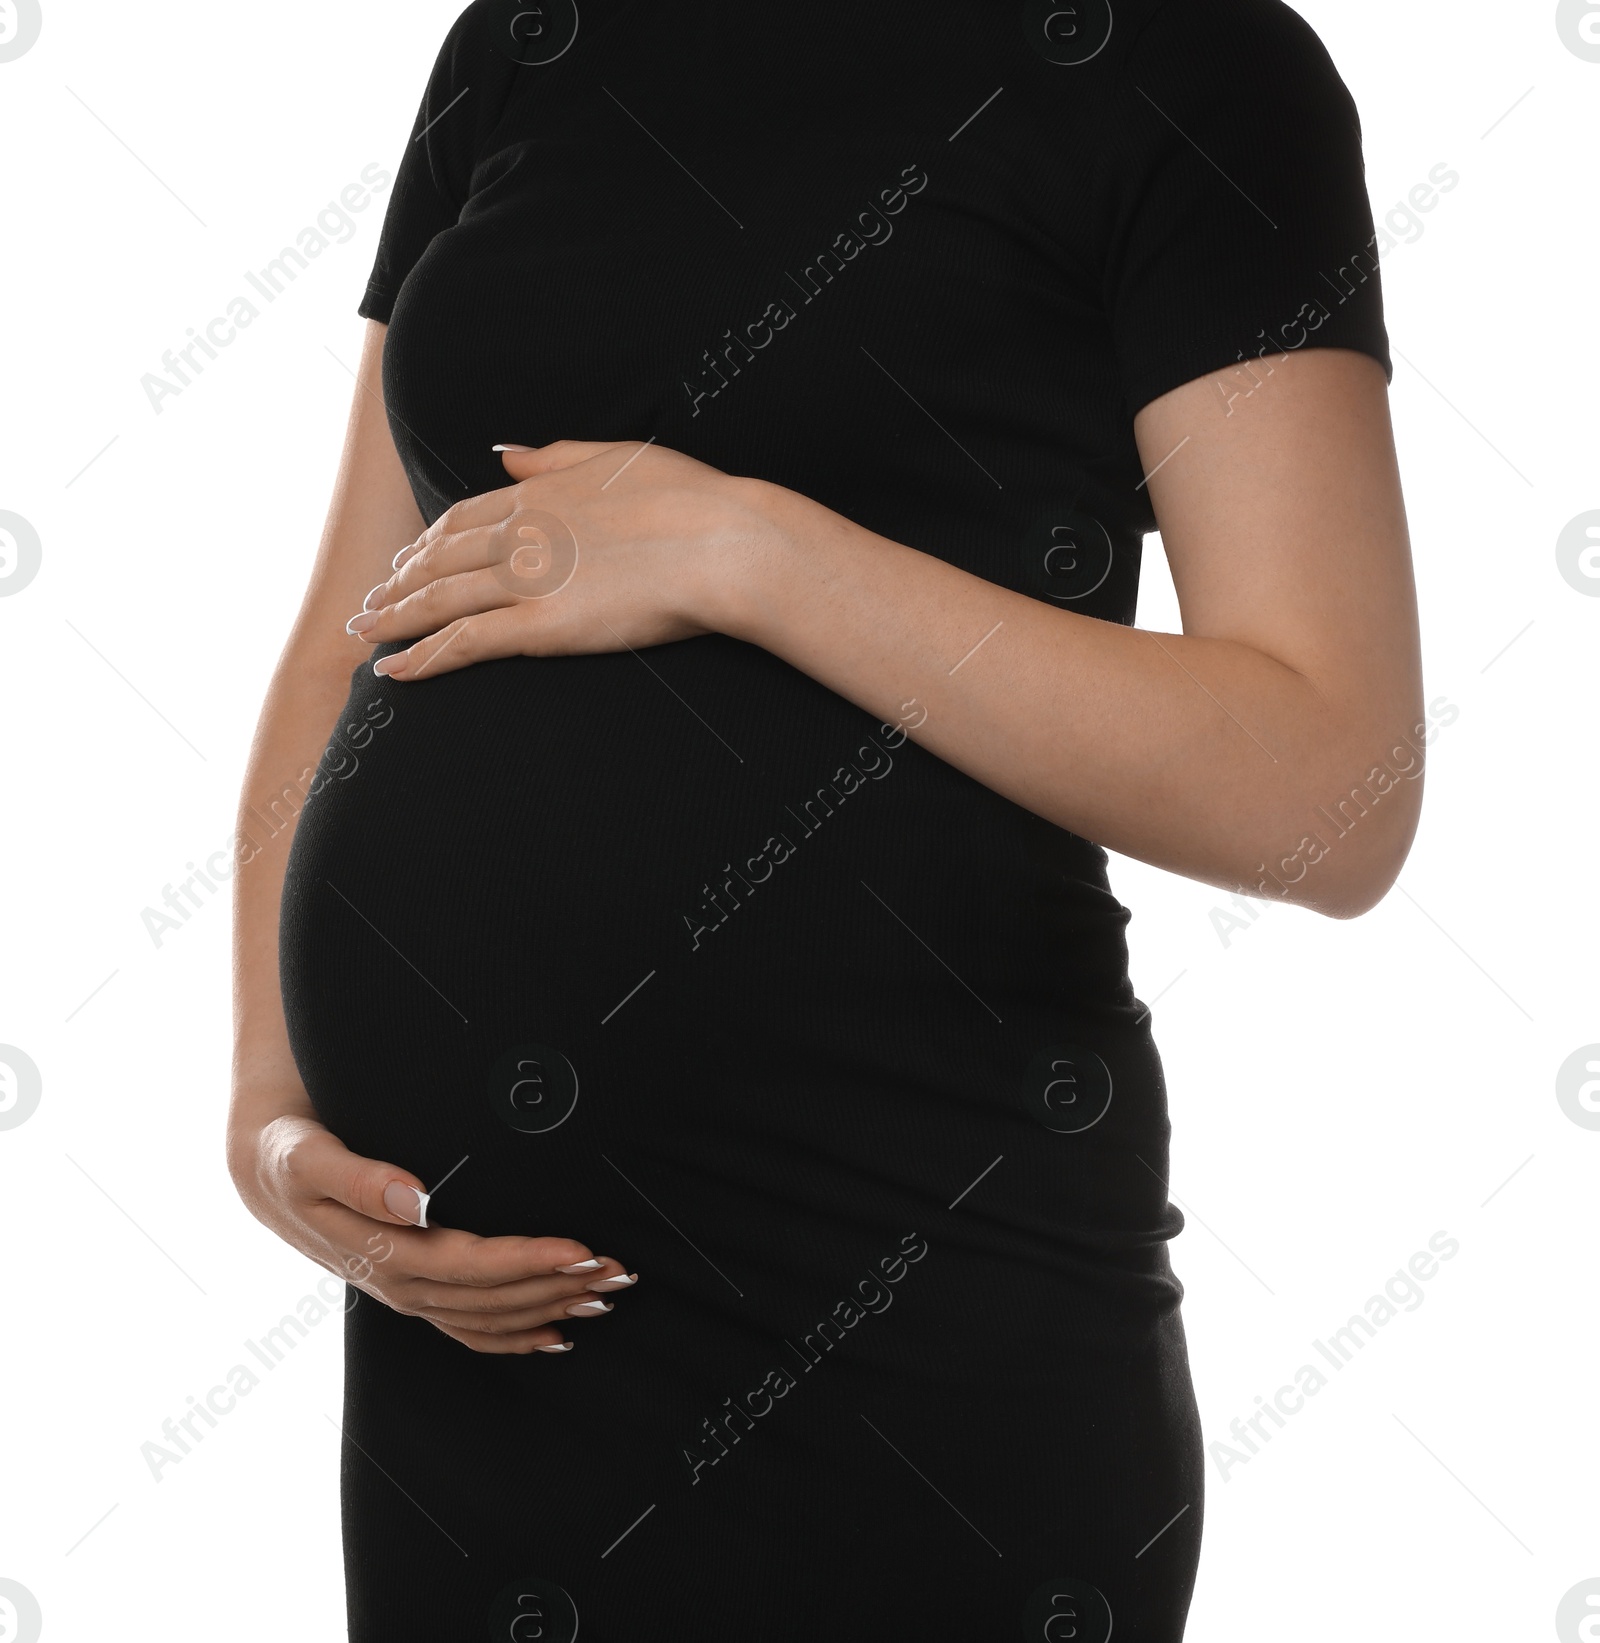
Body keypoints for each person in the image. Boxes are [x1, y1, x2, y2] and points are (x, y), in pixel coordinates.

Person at [227, 2, 1423, 1637]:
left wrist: (756, 556)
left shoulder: (1190, 59)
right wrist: (271, 1104)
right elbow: (348, 629)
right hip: (482, 1358)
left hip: (904, 1308)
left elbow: (1327, 788)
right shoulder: (529, 41)